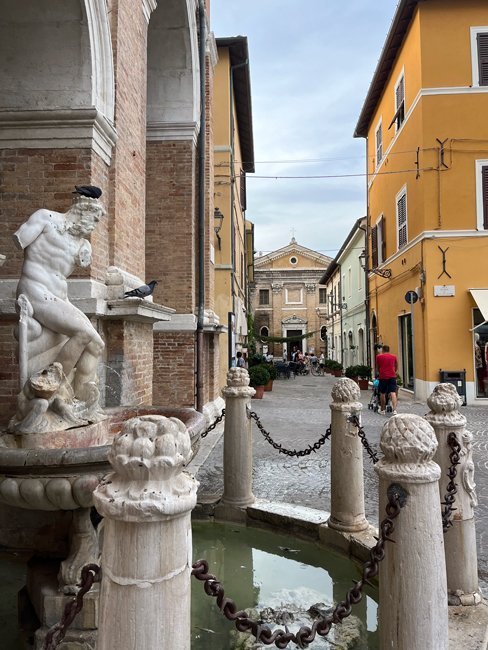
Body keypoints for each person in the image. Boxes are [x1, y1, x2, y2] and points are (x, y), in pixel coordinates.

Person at [13, 189, 105, 405]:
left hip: (59, 299)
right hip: (35, 291)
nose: (93, 227)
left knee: (96, 344)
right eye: (93, 219)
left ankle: (78, 396)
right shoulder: (45, 218)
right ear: (81, 211)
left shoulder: (83, 245)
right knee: (82, 333)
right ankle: (55, 386)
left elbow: (61, 278)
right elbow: (19, 238)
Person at [375, 344, 398, 415]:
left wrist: (380, 372)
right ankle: (394, 410)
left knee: (382, 393)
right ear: (389, 350)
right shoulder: (394, 357)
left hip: (383, 376)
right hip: (392, 376)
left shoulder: (378, 357)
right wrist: (394, 372)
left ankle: (383, 410)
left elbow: (377, 367)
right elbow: (396, 366)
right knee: (393, 392)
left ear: (383, 350)